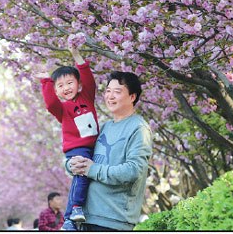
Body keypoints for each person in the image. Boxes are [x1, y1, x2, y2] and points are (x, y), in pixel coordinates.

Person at [68, 71, 152, 231]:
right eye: (108, 91)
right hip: (86, 218)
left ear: (132, 97)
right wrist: (71, 165)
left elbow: (133, 171)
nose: (110, 96)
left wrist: (92, 169)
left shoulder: (139, 128)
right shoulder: (105, 127)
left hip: (113, 221)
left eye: (117, 91)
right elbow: (85, 156)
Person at [35, 46, 99, 230]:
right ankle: (75, 209)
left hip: (95, 147)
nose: (66, 88)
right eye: (60, 86)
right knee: (81, 173)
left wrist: (76, 55)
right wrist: (46, 81)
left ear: (78, 84)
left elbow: (88, 78)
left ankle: (74, 216)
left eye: (70, 83)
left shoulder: (87, 96)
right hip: (77, 149)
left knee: (90, 178)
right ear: (56, 90)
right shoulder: (62, 110)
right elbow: (50, 103)